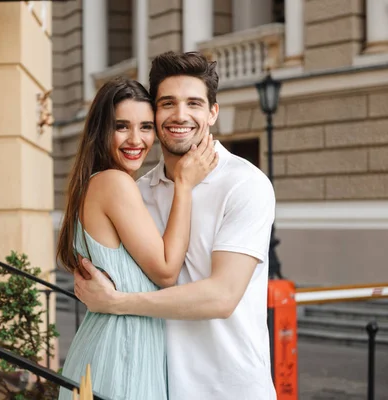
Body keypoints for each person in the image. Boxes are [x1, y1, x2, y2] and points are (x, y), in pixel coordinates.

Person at [74, 51, 277, 400]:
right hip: (156, 383)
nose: (180, 115)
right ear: (154, 111)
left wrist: (117, 302)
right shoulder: (137, 191)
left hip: (231, 388)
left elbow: (222, 297)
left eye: (194, 103)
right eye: (168, 103)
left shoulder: (245, 184)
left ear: (212, 112)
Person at [56, 76, 218, 400]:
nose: (136, 139)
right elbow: (167, 271)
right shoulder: (115, 183)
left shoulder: (95, 183)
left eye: (145, 127)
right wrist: (184, 186)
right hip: (123, 352)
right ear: (101, 130)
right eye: (121, 126)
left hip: (109, 345)